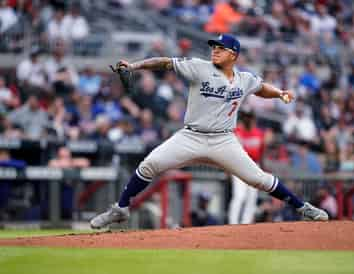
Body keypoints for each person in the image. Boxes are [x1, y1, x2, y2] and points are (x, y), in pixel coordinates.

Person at [90, 34, 328, 229]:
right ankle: (120, 209)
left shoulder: (244, 79)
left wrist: (279, 93)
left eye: (221, 48)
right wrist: (135, 65)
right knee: (149, 164)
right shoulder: (198, 67)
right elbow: (165, 62)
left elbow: (260, 87)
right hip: (190, 136)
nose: (215, 50)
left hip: (223, 140)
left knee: (258, 179)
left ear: (233, 54)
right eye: (214, 46)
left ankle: (302, 208)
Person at [228, 106, 265, 224]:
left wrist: (262, 170)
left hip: (254, 166)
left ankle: (246, 223)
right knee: (239, 196)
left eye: (250, 117)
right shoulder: (237, 131)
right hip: (239, 166)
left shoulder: (259, 133)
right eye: (246, 117)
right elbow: (231, 152)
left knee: (252, 197)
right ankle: (232, 223)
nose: (248, 119)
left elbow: (261, 154)